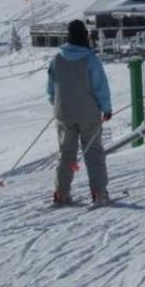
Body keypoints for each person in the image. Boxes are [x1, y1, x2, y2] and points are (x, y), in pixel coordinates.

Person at [45, 19, 113, 206]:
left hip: (64, 112)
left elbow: (51, 88)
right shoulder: (90, 59)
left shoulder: (57, 58)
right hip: (88, 113)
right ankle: (99, 193)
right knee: (93, 152)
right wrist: (106, 109)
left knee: (66, 153)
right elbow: (100, 87)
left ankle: (61, 193)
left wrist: (57, 103)